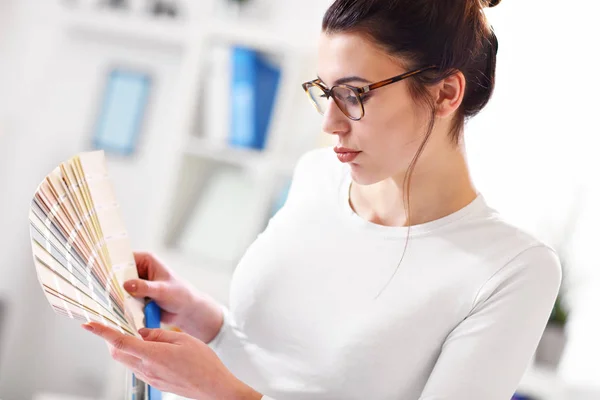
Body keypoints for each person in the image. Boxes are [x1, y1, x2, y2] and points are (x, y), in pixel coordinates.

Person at [82, 0, 562, 399]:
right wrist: (206, 321)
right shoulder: (318, 177)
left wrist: (225, 393)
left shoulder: (512, 269)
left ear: (445, 93)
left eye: (354, 94)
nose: (330, 123)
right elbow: (286, 366)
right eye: (324, 92)